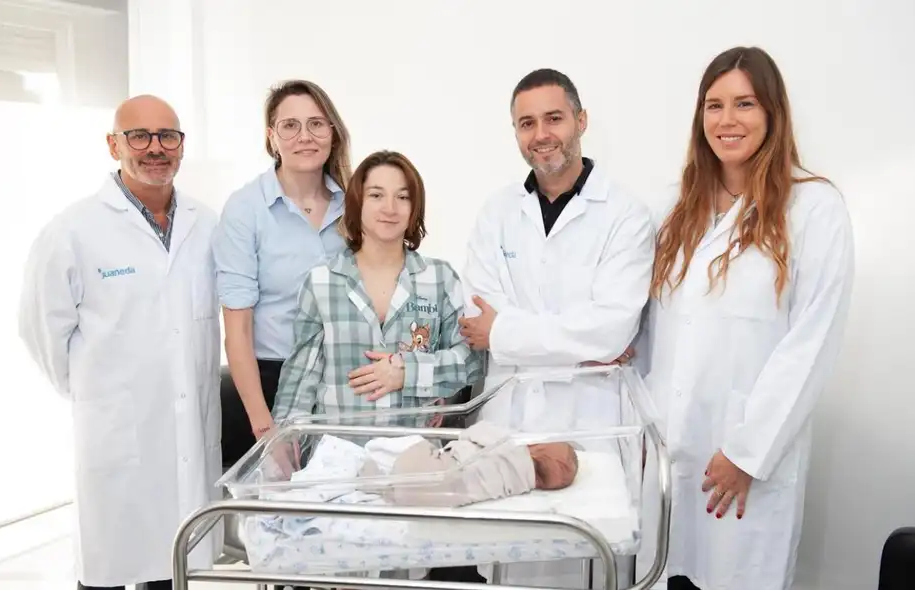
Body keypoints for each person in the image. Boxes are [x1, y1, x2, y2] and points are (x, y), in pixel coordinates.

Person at [640, 46, 855, 590]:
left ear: (772, 113)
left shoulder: (814, 208)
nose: (727, 120)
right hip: (667, 447)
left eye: (745, 104)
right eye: (714, 105)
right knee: (665, 573)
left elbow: (811, 344)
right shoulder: (673, 208)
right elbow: (649, 327)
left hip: (745, 455)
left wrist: (747, 452)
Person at [458, 68, 655, 587]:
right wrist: (576, 342)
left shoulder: (626, 215)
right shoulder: (497, 212)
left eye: (554, 118)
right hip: (511, 416)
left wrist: (506, 334)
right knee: (510, 565)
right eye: (527, 123)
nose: (541, 134)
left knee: (588, 561)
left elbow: (610, 329)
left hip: (590, 421)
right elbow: (479, 316)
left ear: (580, 121)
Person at [17, 95, 222, 590]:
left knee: (172, 568)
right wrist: (98, 392)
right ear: (114, 145)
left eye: (167, 136)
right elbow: (40, 328)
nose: (155, 148)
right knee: (108, 566)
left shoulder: (207, 223)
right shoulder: (73, 230)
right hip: (115, 431)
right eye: (139, 136)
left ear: (181, 146)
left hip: (187, 431)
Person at [271, 150, 484, 432]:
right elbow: (300, 378)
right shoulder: (322, 281)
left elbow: (471, 361)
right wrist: (284, 441)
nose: (390, 208)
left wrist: (408, 372)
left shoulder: (439, 278)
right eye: (376, 195)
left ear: (415, 207)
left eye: (403, 197)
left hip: (415, 450)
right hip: (338, 450)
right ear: (357, 202)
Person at [213, 80, 351, 466]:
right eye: (290, 125)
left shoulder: (354, 203)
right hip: (274, 383)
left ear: (333, 133)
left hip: (347, 381)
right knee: (282, 500)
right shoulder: (246, 209)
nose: (305, 136)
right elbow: (237, 332)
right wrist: (265, 429)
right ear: (271, 137)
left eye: (316, 124)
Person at [361, 421, 579, 507]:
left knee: (420, 443)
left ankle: (376, 478)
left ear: (537, 446)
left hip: (435, 472)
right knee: (408, 489)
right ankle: (387, 490)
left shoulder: (510, 446)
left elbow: (477, 431)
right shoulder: (519, 485)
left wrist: (465, 439)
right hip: (444, 499)